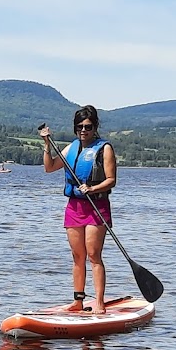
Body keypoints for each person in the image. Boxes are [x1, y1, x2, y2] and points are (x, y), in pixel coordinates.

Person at [40, 105, 117, 314]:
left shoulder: (104, 148)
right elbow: (49, 168)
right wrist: (47, 144)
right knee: (78, 256)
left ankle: (99, 302)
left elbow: (111, 180)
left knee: (93, 255)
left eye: (88, 126)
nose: (84, 130)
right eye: (80, 127)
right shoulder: (70, 148)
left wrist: (92, 188)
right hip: (74, 207)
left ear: (95, 127)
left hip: (96, 206)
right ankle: (78, 301)